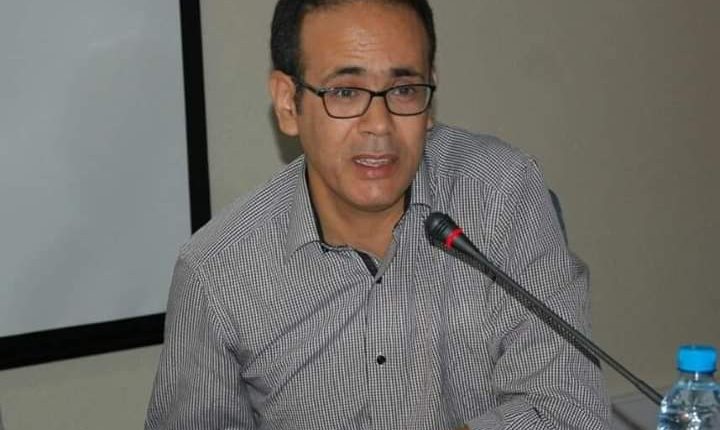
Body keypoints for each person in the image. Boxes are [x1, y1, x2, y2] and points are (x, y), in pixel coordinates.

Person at [145, 0, 610, 428]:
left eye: (403, 90)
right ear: (288, 103)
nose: (379, 125)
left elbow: (568, 409)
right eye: (346, 92)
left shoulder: (500, 193)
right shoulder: (217, 273)